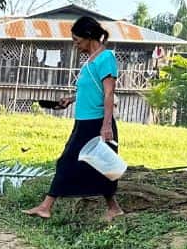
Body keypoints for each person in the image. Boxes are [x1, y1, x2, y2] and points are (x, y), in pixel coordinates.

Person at [24, 15, 124, 222]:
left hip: (96, 123)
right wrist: (71, 99)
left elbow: (108, 93)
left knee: (69, 161)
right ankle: (113, 208)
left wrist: (106, 125)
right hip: (83, 121)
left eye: (77, 41)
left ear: (89, 36)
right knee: (99, 164)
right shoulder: (90, 60)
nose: (76, 45)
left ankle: (46, 206)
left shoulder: (106, 58)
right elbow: (92, 90)